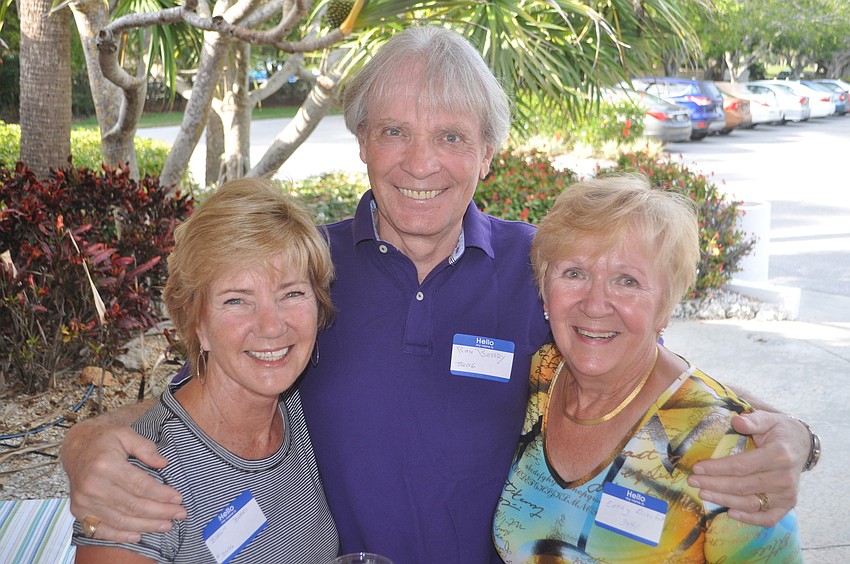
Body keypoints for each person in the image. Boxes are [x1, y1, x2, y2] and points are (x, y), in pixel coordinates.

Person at [61, 26, 816, 563]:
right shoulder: (304, 272)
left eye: (452, 137)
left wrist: (791, 434)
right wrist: (86, 440)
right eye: (395, 131)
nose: (421, 163)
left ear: (488, 152)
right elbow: (216, 378)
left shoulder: (541, 268)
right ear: (362, 142)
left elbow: (649, 374)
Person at [492, 175, 802, 561]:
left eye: (627, 281)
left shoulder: (725, 446)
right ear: (544, 291)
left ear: (665, 307)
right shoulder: (539, 377)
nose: (595, 304)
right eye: (574, 273)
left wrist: (801, 438)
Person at [71, 179, 339, 562]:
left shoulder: (299, 410)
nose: (271, 326)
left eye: (291, 293)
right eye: (236, 300)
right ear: (197, 323)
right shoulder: (139, 479)